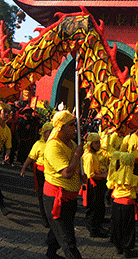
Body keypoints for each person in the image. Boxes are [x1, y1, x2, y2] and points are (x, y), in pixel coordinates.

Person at [42, 111, 83, 259]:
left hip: (70, 197)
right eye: (71, 125)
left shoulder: (71, 144)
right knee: (68, 239)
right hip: (56, 198)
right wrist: (77, 155)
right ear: (60, 128)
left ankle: (50, 253)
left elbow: (75, 168)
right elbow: (66, 173)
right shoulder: (53, 147)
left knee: (58, 229)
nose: (75, 128)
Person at [108, 151, 138, 258]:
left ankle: (118, 247)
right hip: (128, 204)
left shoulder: (115, 175)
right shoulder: (135, 178)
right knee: (128, 228)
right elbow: (136, 191)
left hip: (116, 204)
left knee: (116, 225)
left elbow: (109, 185)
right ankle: (127, 249)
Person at [20, 122, 53, 228]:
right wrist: (24, 168)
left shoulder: (56, 144)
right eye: (49, 132)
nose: (51, 134)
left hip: (51, 173)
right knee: (41, 195)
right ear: (44, 133)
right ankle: (45, 218)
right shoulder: (38, 144)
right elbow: (30, 157)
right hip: (40, 172)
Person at [82, 132, 109, 237]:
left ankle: (98, 224)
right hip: (93, 184)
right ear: (90, 144)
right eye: (96, 143)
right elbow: (91, 175)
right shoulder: (89, 156)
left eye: (99, 142)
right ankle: (93, 230)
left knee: (98, 205)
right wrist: (104, 175)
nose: (98, 145)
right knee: (93, 207)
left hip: (98, 183)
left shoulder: (94, 154)